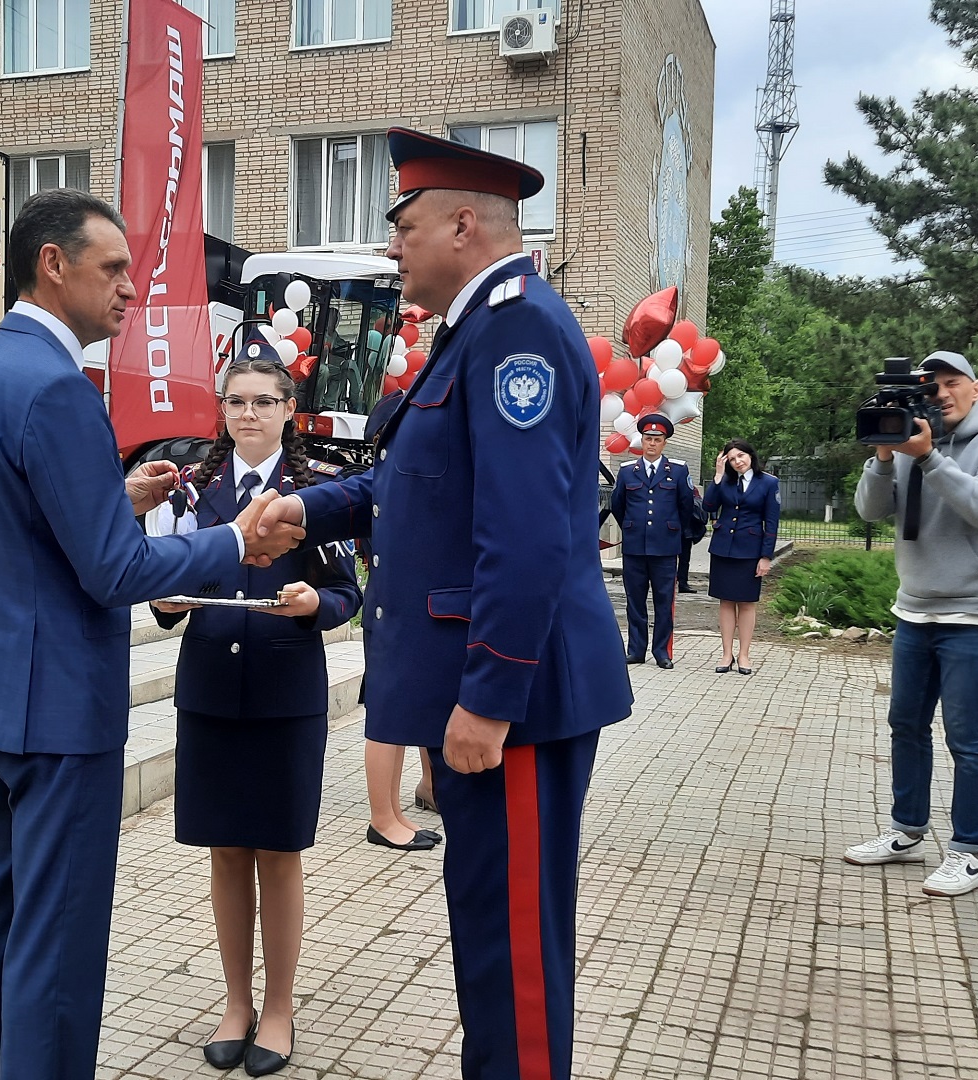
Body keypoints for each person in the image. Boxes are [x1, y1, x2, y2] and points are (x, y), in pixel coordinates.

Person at [252, 128, 631, 1080]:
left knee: (513, 947)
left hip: (515, 704)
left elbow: (532, 533)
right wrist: (307, 505)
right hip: (486, 693)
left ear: (465, 224)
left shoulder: (516, 330)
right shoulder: (474, 333)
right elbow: (411, 483)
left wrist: (492, 695)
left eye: (406, 226)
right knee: (487, 928)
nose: (393, 248)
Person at [0, 188, 304, 1080]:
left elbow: (23, 522)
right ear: (51, 265)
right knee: (56, 944)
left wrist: (117, 499)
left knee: (7, 917)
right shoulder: (58, 385)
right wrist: (232, 538)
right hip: (56, 705)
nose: (130, 289)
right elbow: (114, 573)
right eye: (113, 270)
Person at [148, 350, 363, 1076]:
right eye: (235, 401)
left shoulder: (314, 493)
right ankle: (235, 1002)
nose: (248, 414)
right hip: (209, 690)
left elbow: (346, 591)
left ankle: (278, 1008)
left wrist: (315, 606)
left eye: (263, 402)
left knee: (279, 851)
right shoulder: (195, 489)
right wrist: (166, 597)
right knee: (225, 851)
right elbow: (163, 580)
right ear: (222, 410)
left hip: (283, 696)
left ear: (287, 413)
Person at [843, 350, 978, 898]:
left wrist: (927, 458)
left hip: (974, 613)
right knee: (905, 724)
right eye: (934, 385)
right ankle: (906, 831)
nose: (943, 393)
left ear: (976, 386)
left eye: (953, 383)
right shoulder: (911, 433)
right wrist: (883, 455)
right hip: (915, 607)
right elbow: (871, 512)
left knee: (968, 737)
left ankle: (969, 852)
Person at [357, 386, 443, 851]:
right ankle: (383, 816)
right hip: (391, 607)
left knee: (407, 706)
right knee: (386, 711)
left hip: (405, 608)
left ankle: (416, 796)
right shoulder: (382, 485)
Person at [609, 413, 699, 668]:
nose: (651, 443)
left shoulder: (678, 471)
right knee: (634, 600)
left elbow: (685, 506)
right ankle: (636, 649)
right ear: (642, 441)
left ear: (664, 443)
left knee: (663, 601)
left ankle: (662, 652)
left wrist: (672, 533)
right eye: (648, 438)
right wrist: (632, 527)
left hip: (665, 547)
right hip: (635, 546)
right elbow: (618, 505)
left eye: (657, 439)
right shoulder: (628, 471)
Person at [702, 439, 779, 674]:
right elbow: (708, 506)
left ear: (750, 455)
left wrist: (766, 556)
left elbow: (772, 522)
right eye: (732, 459)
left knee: (746, 603)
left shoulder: (768, 482)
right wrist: (717, 476)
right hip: (724, 548)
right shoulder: (724, 480)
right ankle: (726, 654)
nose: (738, 462)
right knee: (726, 601)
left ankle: (744, 655)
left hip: (750, 550)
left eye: (741, 456)